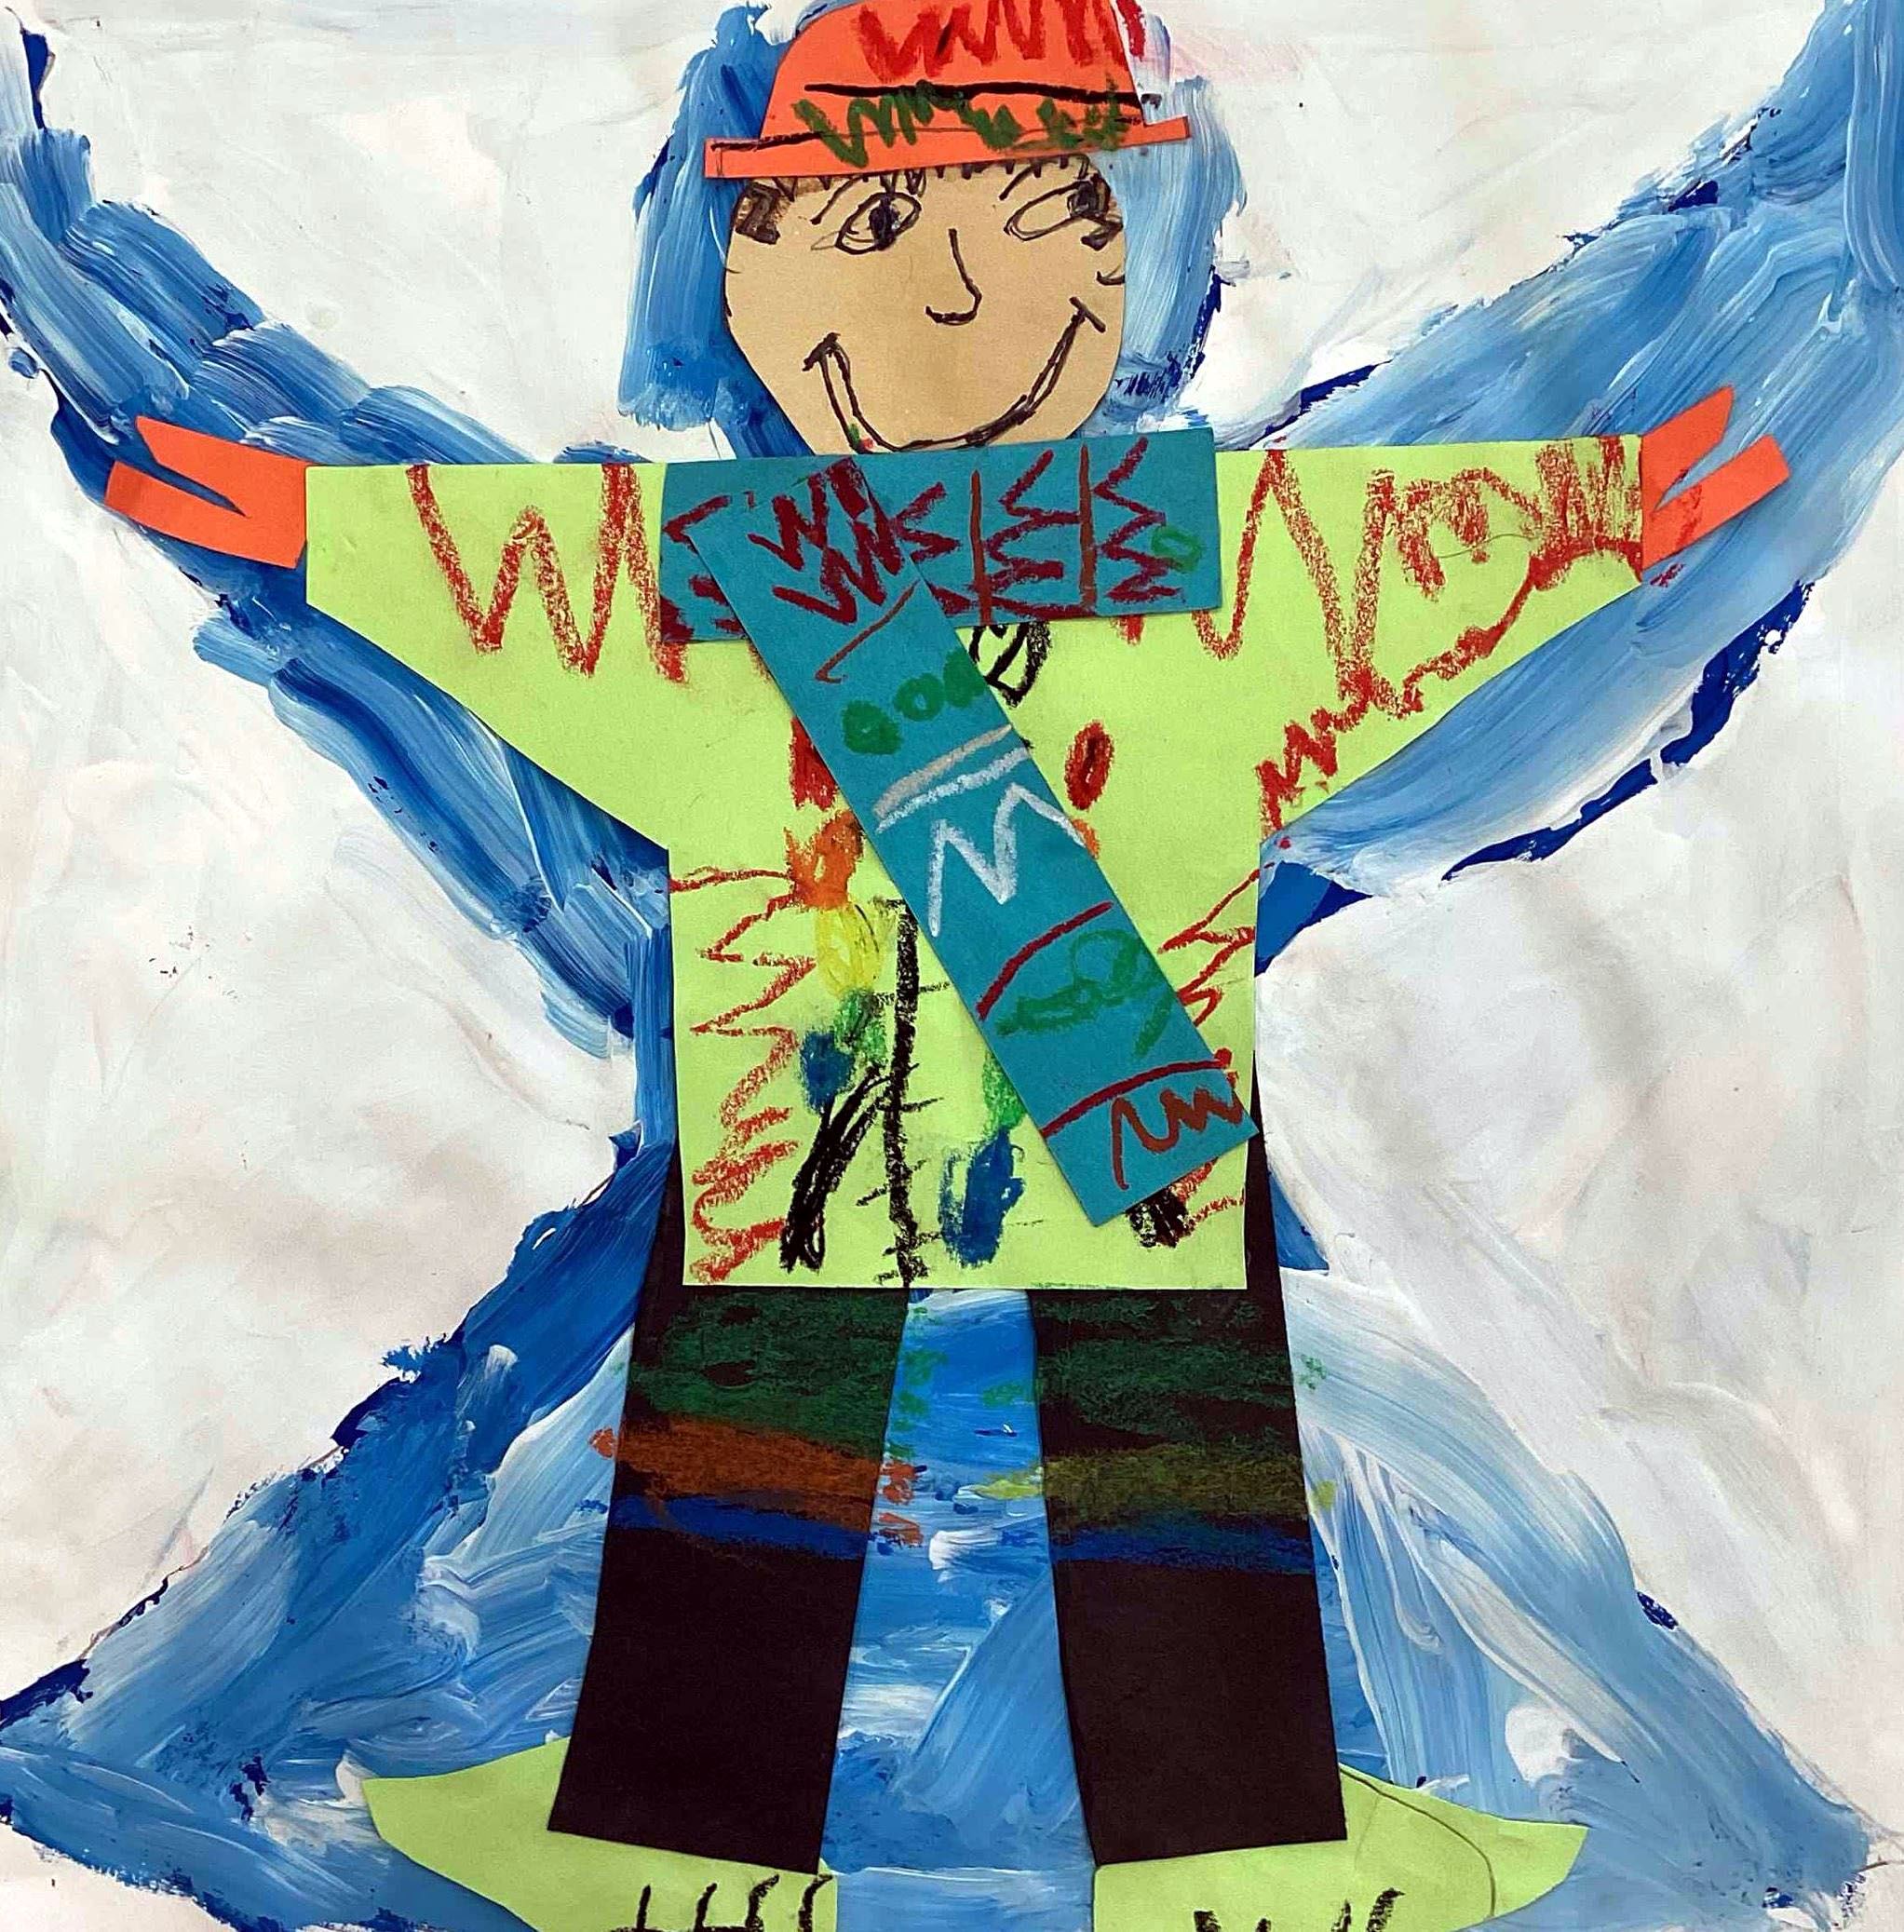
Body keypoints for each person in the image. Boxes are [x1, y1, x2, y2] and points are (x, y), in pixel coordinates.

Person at [95, 3, 1785, 1927]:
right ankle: (690, 1842)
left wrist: (1600, 518)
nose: (963, 288)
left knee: (1151, 1465)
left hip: (1017, 1109)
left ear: (1123, 249)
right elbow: (526, 572)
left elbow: (1397, 549)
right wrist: (321, 525)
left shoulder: (1197, 556)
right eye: (880, 224)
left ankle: (1219, 1849)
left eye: (1037, 209)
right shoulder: (722, 571)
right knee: (774, 1456)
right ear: (746, 264)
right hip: (876, 1107)